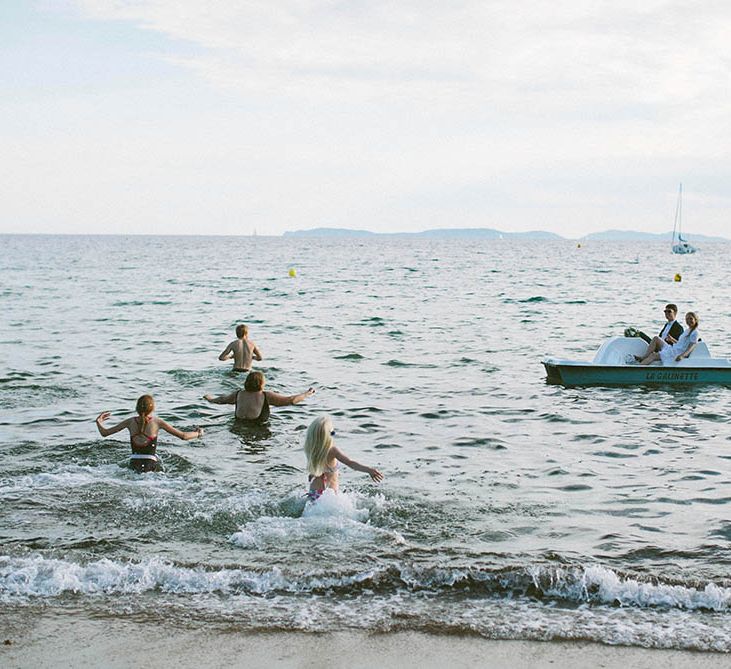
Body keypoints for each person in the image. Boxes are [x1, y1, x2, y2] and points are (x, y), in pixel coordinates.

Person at [95, 395, 203, 473]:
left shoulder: (130, 422)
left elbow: (105, 433)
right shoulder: (157, 422)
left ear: (137, 408)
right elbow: (184, 436)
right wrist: (198, 433)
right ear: (152, 409)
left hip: (133, 465)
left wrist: (98, 422)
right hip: (151, 466)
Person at [303, 415, 383, 501]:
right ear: (330, 435)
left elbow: (318, 469)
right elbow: (350, 463)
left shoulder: (310, 449)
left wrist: (313, 474)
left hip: (313, 492)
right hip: (329, 496)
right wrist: (368, 470)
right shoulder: (332, 450)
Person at [203, 371, 315, 424]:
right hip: (258, 430)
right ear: (261, 383)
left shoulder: (239, 394)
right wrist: (307, 394)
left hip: (237, 427)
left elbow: (222, 400)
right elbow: (291, 400)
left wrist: (209, 398)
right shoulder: (265, 395)